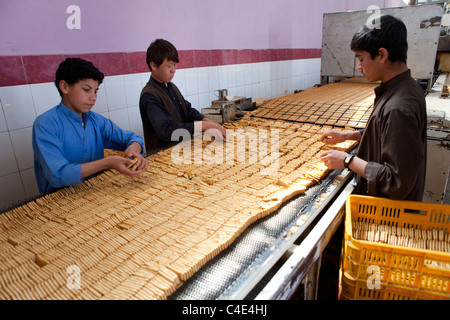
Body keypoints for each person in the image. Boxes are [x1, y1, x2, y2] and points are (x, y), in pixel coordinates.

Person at [320, 15, 427, 202]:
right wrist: (348, 136)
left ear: (382, 55)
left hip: (388, 218)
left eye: (361, 59)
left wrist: (348, 161)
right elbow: (387, 134)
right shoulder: (406, 87)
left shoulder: (398, 107)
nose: (359, 66)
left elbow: (396, 182)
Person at [32, 58, 148, 194]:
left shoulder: (95, 120)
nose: (93, 97)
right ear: (64, 87)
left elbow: (133, 137)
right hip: (60, 200)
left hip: (94, 192)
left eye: (96, 91)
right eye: (86, 90)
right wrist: (107, 163)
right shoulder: (46, 124)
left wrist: (133, 149)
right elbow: (58, 175)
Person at [139, 38, 227, 151]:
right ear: (154, 66)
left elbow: (187, 110)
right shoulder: (149, 95)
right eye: (169, 66)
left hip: (182, 149)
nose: (173, 70)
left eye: (174, 65)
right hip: (163, 154)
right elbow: (166, 130)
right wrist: (203, 126)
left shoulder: (171, 86)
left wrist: (206, 121)